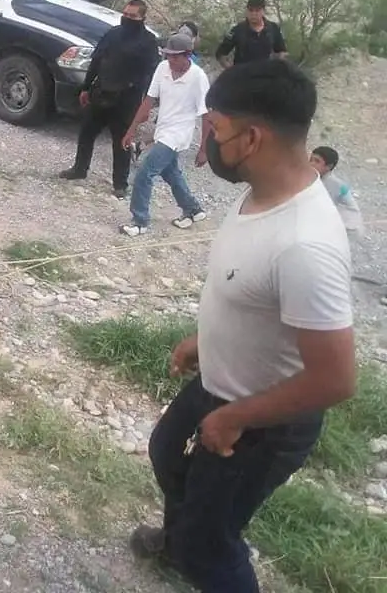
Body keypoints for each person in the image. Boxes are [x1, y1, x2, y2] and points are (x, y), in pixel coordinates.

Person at [132, 59, 355, 593]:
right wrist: (205, 342)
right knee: (168, 453)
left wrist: (236, 418)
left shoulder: (307, 244)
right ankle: (184, 539)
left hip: (262, 422)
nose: (207, 141)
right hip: (220, 383)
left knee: (212, 547)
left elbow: (336, 380)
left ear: (252, 137)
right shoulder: (259, 193)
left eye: (215, 129)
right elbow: (250, 296)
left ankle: (197, 548)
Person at [59, 0, 160, 199]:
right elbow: (96, 61)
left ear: (142, 18)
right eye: (125, 14)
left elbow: (151, 74)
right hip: (101, 91)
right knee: (87, 132)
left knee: (121, 141)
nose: (127, 19)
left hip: (127, 98)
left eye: (132, 16)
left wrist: (146, 102)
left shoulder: (148, 42)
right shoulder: (113, 34)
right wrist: (86, 87)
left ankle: (120, 184)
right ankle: (79, 169)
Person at [120, 33, 209, 237]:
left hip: (178, 135)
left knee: (145, 173)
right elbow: (148, 101)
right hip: (162, 130)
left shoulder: (198, 77)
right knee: (171, 173)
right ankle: (193, 210)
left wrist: (205, 148)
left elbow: (207, 115)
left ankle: (140, 221)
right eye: (167, 55)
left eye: (175, 57)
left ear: (187, 55)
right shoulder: (162, 69)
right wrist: (131, 130)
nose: (170, 60)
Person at [215, 0, 287, 69]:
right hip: (243, 75)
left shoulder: (273, 28)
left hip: (266, 76)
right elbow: (221, 54)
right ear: (247, 11)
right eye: (251, 10)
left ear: (263, 11)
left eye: (257, 10)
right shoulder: (237, 30)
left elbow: (281, 51)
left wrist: (277, 69)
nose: (253, 14)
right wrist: (232, 71)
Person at [309, 146, 363, 234]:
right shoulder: (318, 178)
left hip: (347, 226)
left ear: (329, 166)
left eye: (317, 161)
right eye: (311, 160)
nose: (311, 163)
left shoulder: (333, 184)